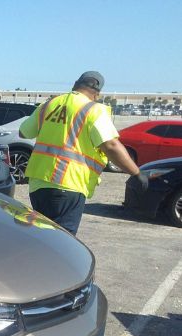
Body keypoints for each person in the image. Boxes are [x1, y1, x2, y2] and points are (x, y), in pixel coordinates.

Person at [18, 71, 147, 235]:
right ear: (97, 94)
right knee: (63, 242)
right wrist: (136, 173)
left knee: (44, 238)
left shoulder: (49, 104)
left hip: (38, 183)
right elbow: (111, 145)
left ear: (75, 84)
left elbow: (24, 132)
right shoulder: (93, 110)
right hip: (68, 183)